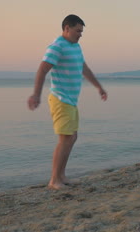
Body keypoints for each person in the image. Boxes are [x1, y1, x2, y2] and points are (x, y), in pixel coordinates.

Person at [27, 14, 108, 190]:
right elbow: (42, 70)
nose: (80, 35)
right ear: (66, 28)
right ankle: (54, 180)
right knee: (66, 138)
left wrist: (98, 87)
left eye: (82, 31)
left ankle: (62, 176)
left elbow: (84, 68)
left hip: (71, 100)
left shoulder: (76, 47)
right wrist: (36, 95)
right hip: (60, 98)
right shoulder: (57, 47)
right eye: (78, 31)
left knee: (72, 137)